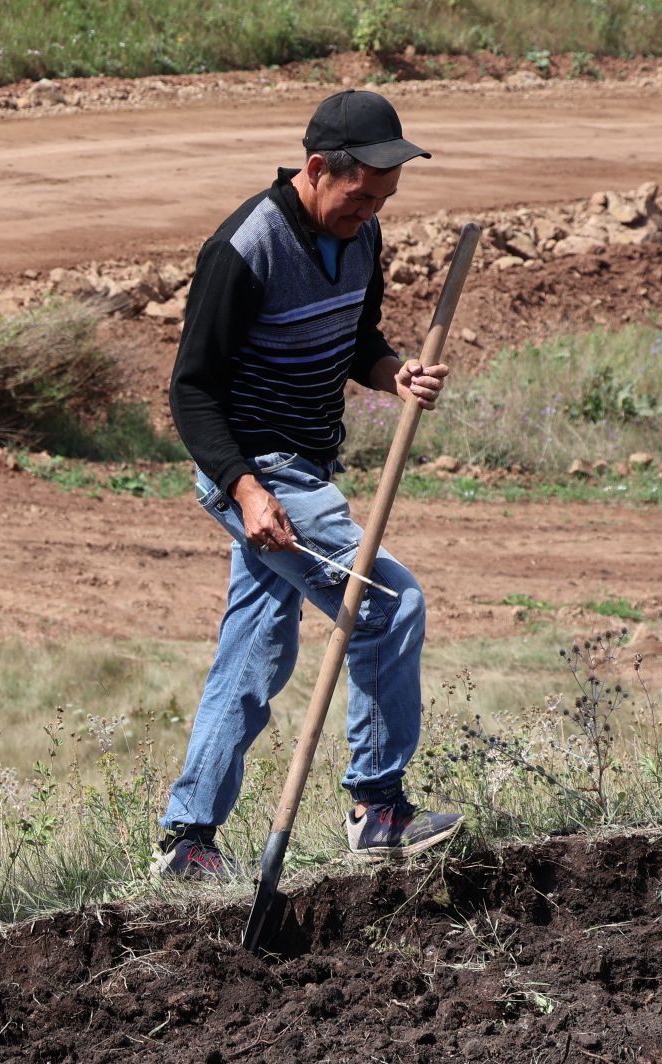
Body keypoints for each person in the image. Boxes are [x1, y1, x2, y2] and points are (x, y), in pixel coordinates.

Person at [156, 89, 462, 879]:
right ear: (318, 168)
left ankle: (186, 842)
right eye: (359, 197)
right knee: (390, 606)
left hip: (308, 467)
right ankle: (379, 806)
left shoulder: (361, 239)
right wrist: (247, 491)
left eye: (383, 201)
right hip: (261, 472)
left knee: (255, 651)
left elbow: (356, 339)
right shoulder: (244, 248)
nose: (368, 213)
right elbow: (191, 391)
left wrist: (396, 374)